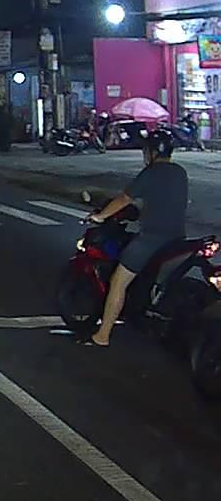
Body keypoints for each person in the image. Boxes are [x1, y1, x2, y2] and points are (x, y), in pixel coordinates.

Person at [83, 128, 188, 347]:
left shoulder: (151, 172)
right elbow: (164, 201)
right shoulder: (180, 172)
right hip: (177, 238)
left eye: (145, 150)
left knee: (118, 281)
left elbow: (124, 199)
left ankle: (102, 335)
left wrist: (101, 216)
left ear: (152, 152)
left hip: (152, 239)